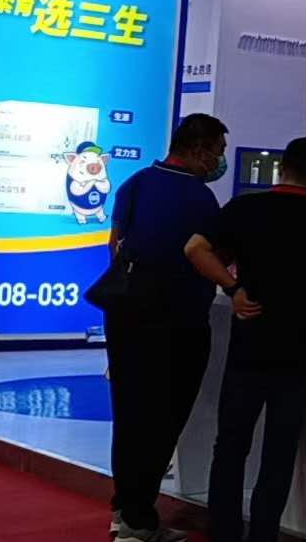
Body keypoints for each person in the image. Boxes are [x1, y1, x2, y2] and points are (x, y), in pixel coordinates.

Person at [184, 137, 306, 542]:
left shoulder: (243, 208)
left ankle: (224, 532)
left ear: (282, 168)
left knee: (231, 445)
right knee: (280, 451)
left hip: (250, 344)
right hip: (300, 351)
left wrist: (233, 288)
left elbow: (195, 249)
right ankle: (263, 534)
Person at [104, 113, 228, 542]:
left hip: (126, 314)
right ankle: (137, 520)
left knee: (130, 414)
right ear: (200, 150)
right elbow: (208, 257)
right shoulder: (200, 199)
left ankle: (127, 510)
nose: (219, 161)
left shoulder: (135, 183)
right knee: (162, 420)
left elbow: (114, 245)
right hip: (177, 320)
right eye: (218, 152)